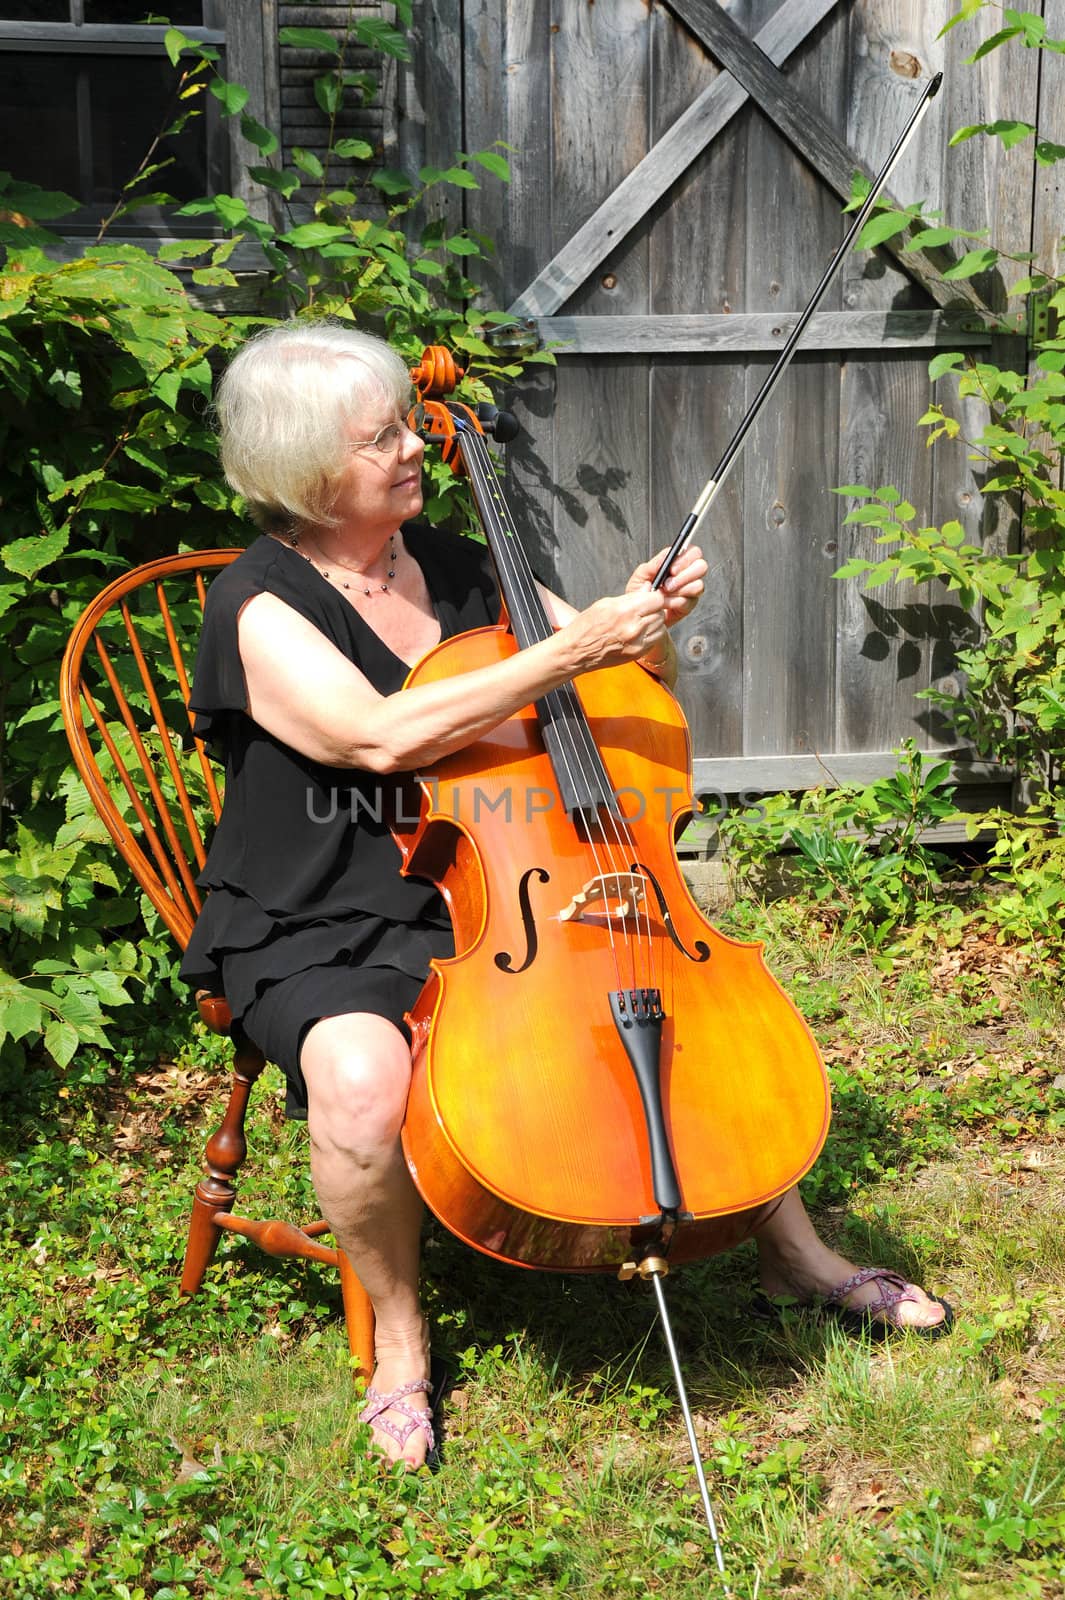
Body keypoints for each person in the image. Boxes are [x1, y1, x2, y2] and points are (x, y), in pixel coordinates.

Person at [181, 321, 953, 1473]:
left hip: (493, 882)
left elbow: (600, 695)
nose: (409, 447)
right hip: (319, 907)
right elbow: (383, 737)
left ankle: (794, 1250)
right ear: (303, 470)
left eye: (407, 421)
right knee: (357, 1076)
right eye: (377, 436)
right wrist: (574, 643)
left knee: (668, 996)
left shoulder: (455, 560)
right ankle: (401, 1339)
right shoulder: (259, 603)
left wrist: (642, 635)